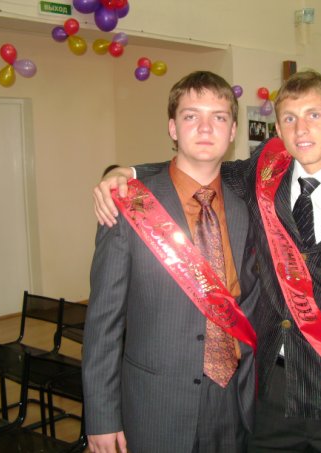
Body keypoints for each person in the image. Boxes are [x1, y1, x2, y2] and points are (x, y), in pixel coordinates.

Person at [94, 70, 321, 453]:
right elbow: (198, 164)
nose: (301, 128)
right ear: (278, 130)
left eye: (315, 114)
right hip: (268, 399)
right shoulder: (261, 181)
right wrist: (123, 174)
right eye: (289, 118)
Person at [82, 71, 260, 453]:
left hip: (234, 402)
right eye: (191, 115)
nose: (206, 128)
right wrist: (101, 416)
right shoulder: (129, 205)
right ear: (173, 128)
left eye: (219, 117)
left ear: (232, 131)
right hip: (156, 405)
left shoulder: (244, 208)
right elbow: (103, 322)